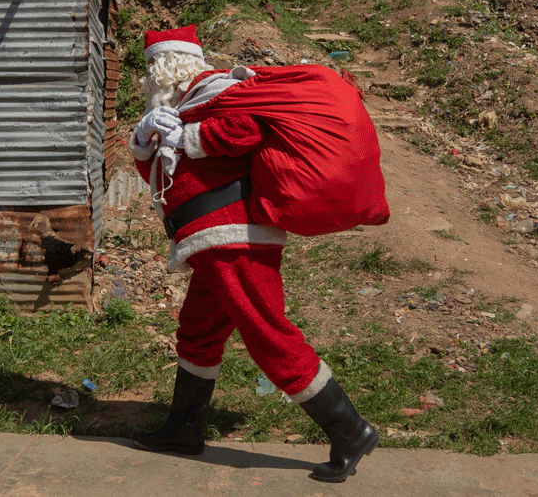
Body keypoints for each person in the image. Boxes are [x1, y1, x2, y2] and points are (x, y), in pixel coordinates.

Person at [127, 24, 379, 484]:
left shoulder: (221, 90)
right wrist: (145, 141)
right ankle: (183, 429)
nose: (152, 79)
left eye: (154, 70)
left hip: (234, 235)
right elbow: (165, 177)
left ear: (171, 67)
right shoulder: (181, 106)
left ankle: (350, 429)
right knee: (198, 331)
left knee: (267, 333)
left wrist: (186, 138)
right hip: (209, 238)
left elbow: (247, 130)